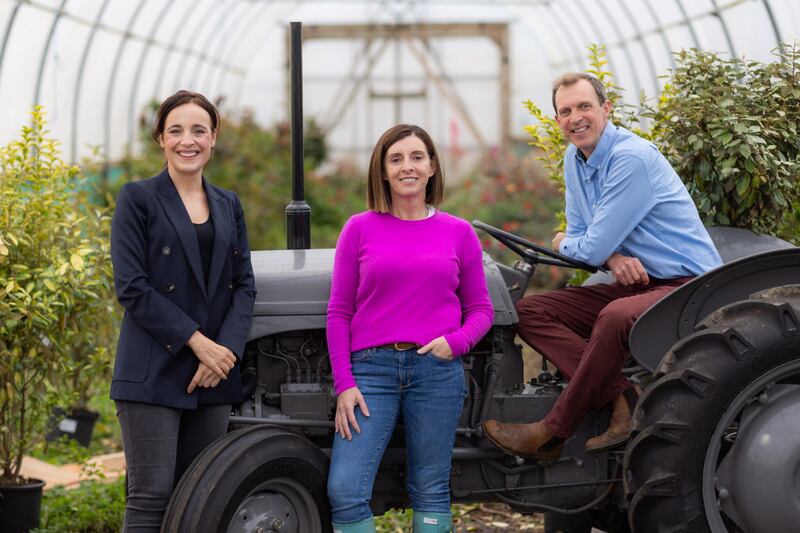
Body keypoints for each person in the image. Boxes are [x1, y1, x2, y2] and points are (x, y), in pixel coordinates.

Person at [483, 73, 722, 462]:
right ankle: (622, 396)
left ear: (606, 110)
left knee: (613, 316)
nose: (575, 117)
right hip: (640, 283)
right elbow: (587, 242)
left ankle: (553, 432)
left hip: (685, 284)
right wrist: (609, 257)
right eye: (565, 111)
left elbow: (582, 242)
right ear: (557, 120)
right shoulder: (574, 159)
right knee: (527, 310)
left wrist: (574, 244)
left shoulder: (631, 158)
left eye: (584, 107)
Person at [326, 124, 494, 532]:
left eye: (417, 157)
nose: (407, 167)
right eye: (396, 159)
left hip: (436, 371)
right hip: (370, 373)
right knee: (345, 489)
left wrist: (454, 344)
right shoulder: (359, 228)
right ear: (382, 171)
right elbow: (338, 312)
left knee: (430, 488)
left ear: (432, 167)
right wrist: (344, 383)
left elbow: (481, 310)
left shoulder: (459, 233)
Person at [110, 90, 256, 531]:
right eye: (175, 130)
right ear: (160, 138)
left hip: (211, 374)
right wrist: (200, 344)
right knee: (151, 495)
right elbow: (132, 287)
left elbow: (244, 284)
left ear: (213, 138)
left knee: (199, 499)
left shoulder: (228, 203)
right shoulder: (138, 198)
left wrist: (223, 353)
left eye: (198, 130)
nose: (186, 140)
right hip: (155, 364)